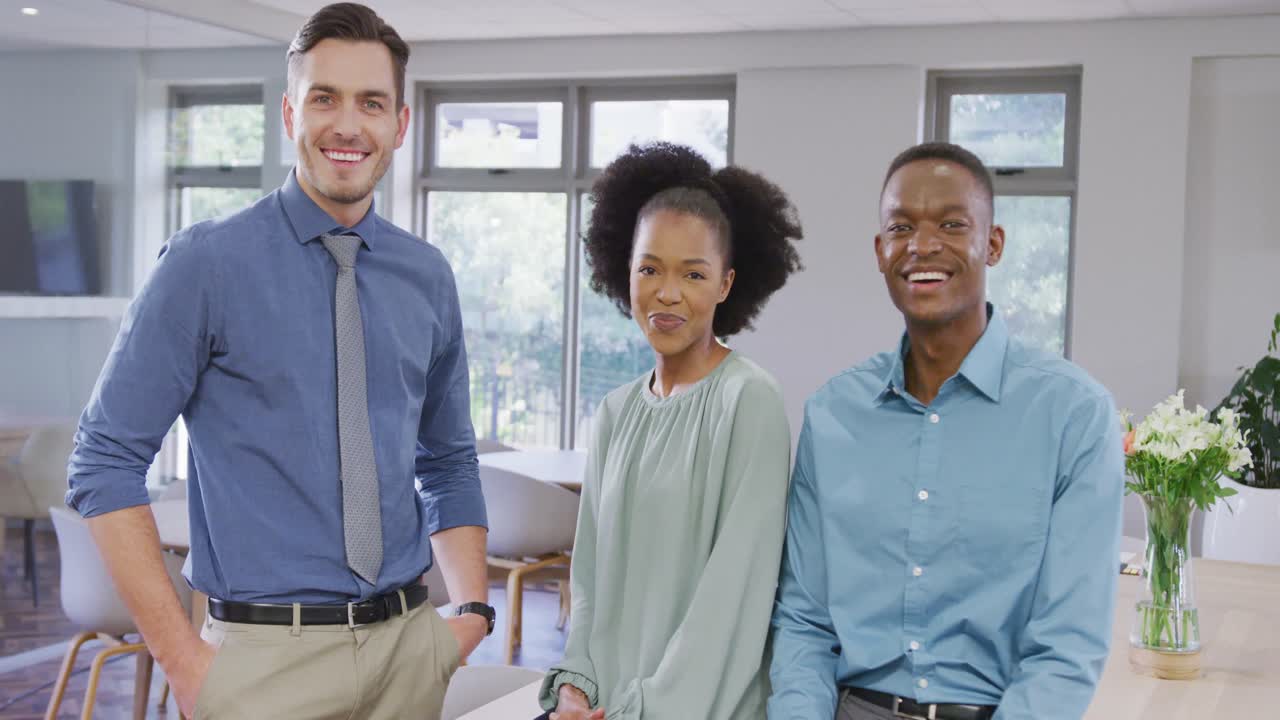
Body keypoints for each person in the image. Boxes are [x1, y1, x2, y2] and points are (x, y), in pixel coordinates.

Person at [66, 4, 494, 718]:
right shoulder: (207, 264)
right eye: (325, 99)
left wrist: (472, 612)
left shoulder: (428, 276)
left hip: (409, 655)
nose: (348, 125)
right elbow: (102, 459)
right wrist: (184, 662)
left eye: (371, 103)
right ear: (290, 113)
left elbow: (448, 459)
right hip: (260, 668)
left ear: (400, 124)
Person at [768, 142, 1124, 720]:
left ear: (993, 243)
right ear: (880, 251)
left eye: (952, 224)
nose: (923, 245)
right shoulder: (833, 415)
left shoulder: (1074, 415)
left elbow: (1067, 647)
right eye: (901, 227)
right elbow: (804, 620)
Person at [538, 142, 803, 720]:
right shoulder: (614, 412)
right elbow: (588, 581)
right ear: (623, 269)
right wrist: (576, 685)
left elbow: (733, 602)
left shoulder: (749, 401)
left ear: (727, 284)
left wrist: (645, 708)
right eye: (650, 268)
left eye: (694, 273)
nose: (667, 293)